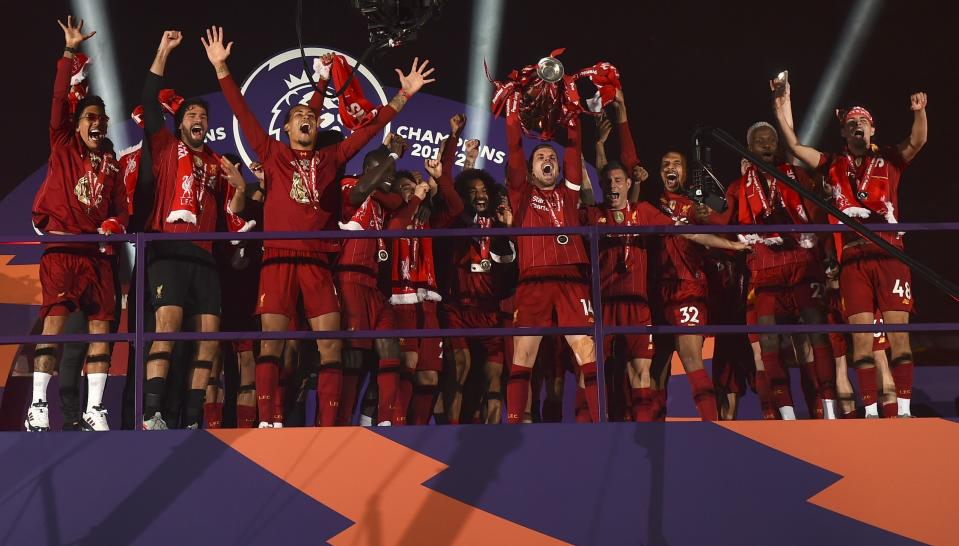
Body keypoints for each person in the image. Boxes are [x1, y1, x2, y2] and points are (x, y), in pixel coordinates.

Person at [204, 26, 435, 426]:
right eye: (298, 117)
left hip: (317, 264)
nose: (306, 119)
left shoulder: (332, 158)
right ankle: (268, 420)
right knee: (272, 346)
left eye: (310, 115)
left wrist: (405, 94)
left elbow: (370, 128)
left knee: (331, 348)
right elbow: (242, 111)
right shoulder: (272, 153)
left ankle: (328, 428)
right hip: (277, 260)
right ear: (287, 129)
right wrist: (222, 68)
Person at [772, 76, 927, 418]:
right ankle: (870, 412)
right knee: (861, 340)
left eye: (864, 122)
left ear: (872, 130)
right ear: (844, 132)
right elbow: (796, 148)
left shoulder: (889, 161)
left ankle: (903, 410)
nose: (858, 127)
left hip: (890, 255)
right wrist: (779, 108)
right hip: (854, 258)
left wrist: (920, 111)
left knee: (899, 337)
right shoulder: (831, 164)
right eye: (851, 123)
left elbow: (917, 141)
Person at [140, 30, 246, 430]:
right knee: (166, 326)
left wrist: (238, 189)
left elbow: (234, 215)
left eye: (203, 116)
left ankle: (192, 417)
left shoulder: (219, 163)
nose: (198, 119)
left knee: (208, 337)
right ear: (178, 123)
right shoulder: (166, 147)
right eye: (190, 116)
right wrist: (163, 49)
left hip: (205, 255)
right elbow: (150, 98)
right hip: (168, 250)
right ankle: (152, 414)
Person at [26, 16, 128, 432]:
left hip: (99, 256)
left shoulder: (112, 162)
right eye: (89, 117)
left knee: (101, 329)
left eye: (102, 119)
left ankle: (96, 409)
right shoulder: (63, 143)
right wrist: (68, 53)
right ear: (77, 123)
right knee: (54, 324)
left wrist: (115, 224)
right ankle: (37, 406)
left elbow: (121, 209)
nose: (97, 123)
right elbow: (56, 101)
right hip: (64, 249)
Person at [501, 91, 605, 424]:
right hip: (534, 279)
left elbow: (574, 152)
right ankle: (516, 424)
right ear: (531, 171)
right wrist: (512, 110)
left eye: (553, 159)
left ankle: (601, 422)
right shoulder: (521, 194)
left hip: (573, 279)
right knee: (524, 353)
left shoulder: (569, 194)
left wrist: (573, 109)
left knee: (587, 349)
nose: (549, 160)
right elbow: (515, 151)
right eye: (542, 158)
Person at [387, 117, 465, 425]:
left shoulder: (432, 221)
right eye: (405, 188)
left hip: (428, 304)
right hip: (399, 302)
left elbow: (456, 206)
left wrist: (452, 140)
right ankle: (395, 432)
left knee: (430, 376)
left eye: (414, 186)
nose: (412, 191)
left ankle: (417, 437)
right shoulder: (390, 218)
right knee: (407, 365)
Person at [438, 147, 516, 424]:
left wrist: (506, 231)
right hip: (458, 308)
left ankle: (492, 436)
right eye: (471, 191)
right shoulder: (454, 221)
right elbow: (448, 190)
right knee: (460, 366)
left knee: (494, 376)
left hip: (490, 310)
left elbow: (508, 267)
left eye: (483, 190)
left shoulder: (499, 225)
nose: (479, 195)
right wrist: (466, 159)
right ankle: (450, 431)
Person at [335, 134, 408, 425]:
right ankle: (340, 424)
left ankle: (385, 423)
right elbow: (359, 191)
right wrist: (390, 156)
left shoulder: (382, 200)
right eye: (385, 172)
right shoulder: (349, 185)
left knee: (390, 348)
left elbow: (399, 199)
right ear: (369, 169)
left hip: (376, 288)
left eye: (392, 174)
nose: (390, 178)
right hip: (350, 280)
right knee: (354, 358)